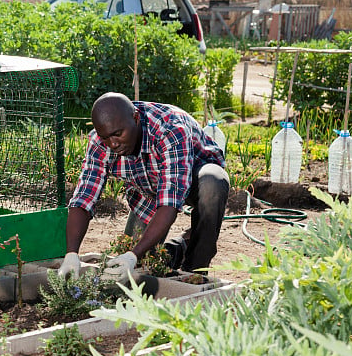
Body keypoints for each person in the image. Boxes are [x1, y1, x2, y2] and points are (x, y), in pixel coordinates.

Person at [58, 92, 229, 281]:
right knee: (141, 266)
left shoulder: (169, 130)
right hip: (150, 188)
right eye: (106, 137)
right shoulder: (100, 142)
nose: (113, 143)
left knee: (212, 184)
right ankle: (181, 245)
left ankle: (195, 268)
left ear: (136, 118)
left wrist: (133, 254)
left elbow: (169, 202)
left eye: (117, 134)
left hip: (196, 174)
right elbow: (84, 197)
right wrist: (71, 254)